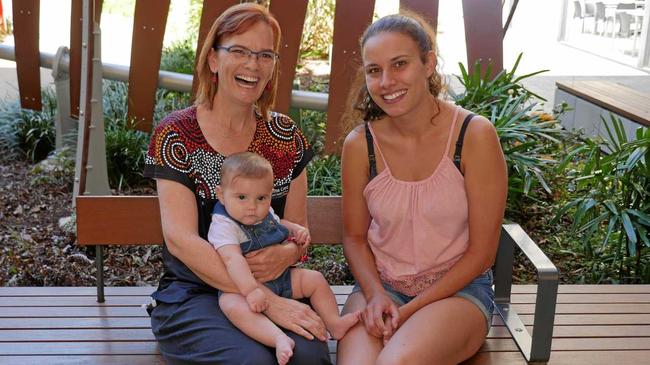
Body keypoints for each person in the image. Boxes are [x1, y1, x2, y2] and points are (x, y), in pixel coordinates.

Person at [143, 3, 332, 364]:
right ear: (213, 59)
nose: (252, 65)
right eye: (239, 51)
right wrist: (269, 303)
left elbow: (299, 231)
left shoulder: (285, 137)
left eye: (264, 55)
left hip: (278, 281)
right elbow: (181, 241)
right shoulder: (176, 135)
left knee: (308, 357)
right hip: (197, 291)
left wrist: (290, 252)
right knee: (253, 362)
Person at [337, 12, 508, 365]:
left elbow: (482, 254)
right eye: (374, 70)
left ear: (428, 63)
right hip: (380, 289)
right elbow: (354, 237)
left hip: (456, 294)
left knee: (395, 362)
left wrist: (411, 309)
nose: (386, 81)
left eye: (400, 64)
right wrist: (374, 296)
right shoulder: (360, 145)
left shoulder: (474, 136)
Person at [209, 152, 359, 365]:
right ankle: (278, 338)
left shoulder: (263, 211)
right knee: (231, 304)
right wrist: (252, 290)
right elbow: (232, 259)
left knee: (314, 279)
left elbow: (278, 223)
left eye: (261, 198)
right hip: (245, 287)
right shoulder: (223, 225)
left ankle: (334, 323)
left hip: (281, 277)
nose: (252, 206)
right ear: (222, 195)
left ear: (269, 196)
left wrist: (295, 229)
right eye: (241, 197)